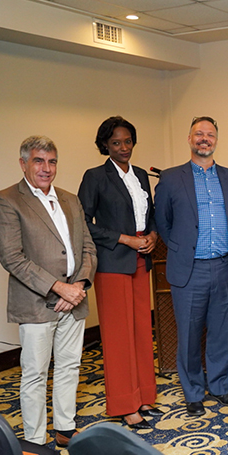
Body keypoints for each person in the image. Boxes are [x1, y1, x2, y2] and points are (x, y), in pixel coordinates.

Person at [0, 136, 97, 446]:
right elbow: (11, 257)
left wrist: (78, 286)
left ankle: (65, 429)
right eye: (39, 161)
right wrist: (59, 289)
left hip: (74, 300)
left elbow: (88, 247)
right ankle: (36, 441)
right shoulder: (7, 200)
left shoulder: (69, 198)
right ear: (23, 163)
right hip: (37, 303)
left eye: (52, 161)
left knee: (70, 365)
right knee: (35, 374)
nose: (46, 168)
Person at [155, 116, 228, 417]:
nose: (204, 139)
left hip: (223, 267)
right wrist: (182, 249)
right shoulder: (170, 177)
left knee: (221, 332)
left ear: (216, 140)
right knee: (189, 335)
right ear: (190, 138)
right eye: (198, 134)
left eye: (209, 135)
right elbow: (163, 223)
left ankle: (219, 387)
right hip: (189, 269)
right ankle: (193, 391)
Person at [78, 116, 161, 430]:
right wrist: (123, 238)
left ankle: (143, 396)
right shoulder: (95, 177)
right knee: (118, 336)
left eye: (128, 141)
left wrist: (152, 236)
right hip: (113, 262)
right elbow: (84, 223)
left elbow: (148, 214)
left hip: (142, 260)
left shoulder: (140, 174)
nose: (123, 147)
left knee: (141, 329)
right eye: (116, 142)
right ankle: (125, 405)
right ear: (105, 146)